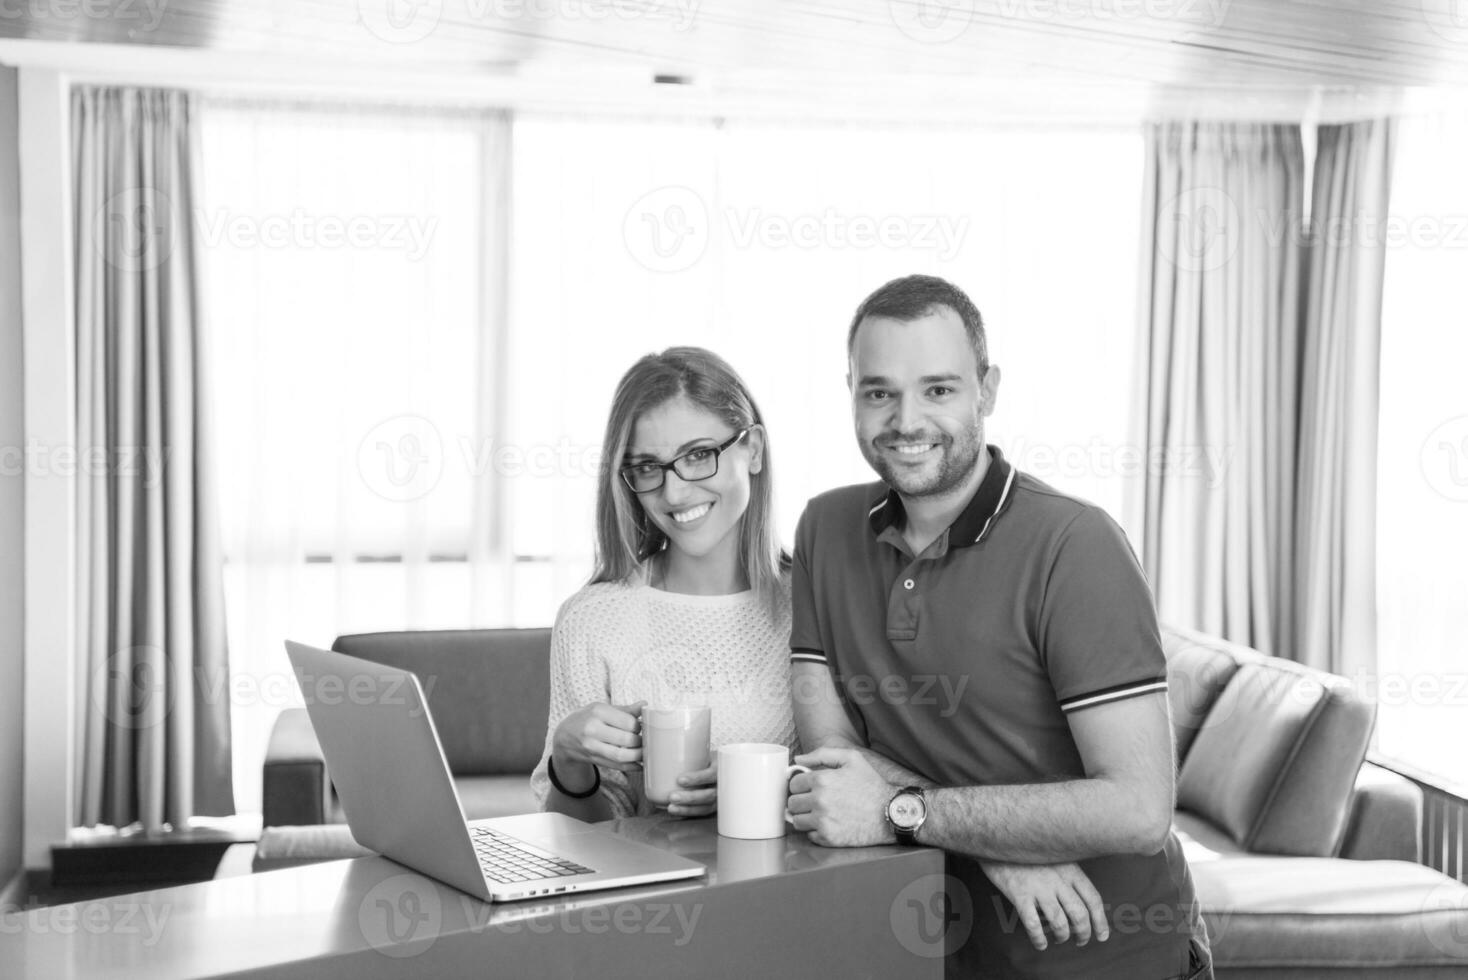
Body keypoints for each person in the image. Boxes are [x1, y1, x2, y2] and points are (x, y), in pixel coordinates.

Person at [785, 275, 1211, 979]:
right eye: (879, 391)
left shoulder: (1076, 546)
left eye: (939, 389)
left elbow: (1138, 809)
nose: (906, 419)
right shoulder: (824, 529)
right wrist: (992, 847)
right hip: (926, 952)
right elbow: (834, 758)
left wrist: (901, 810)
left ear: (987, 390)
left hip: (1107, 956)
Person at [530, 347, 795, 821]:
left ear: (752, 449)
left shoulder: (815, 605)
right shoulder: (592, 619)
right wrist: (569, 761)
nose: (674, 493)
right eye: (649, 467)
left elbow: (853, 786)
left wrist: (756, 785)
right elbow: (581, 839)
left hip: (788, 885)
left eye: (698, 455)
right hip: (650, 893)